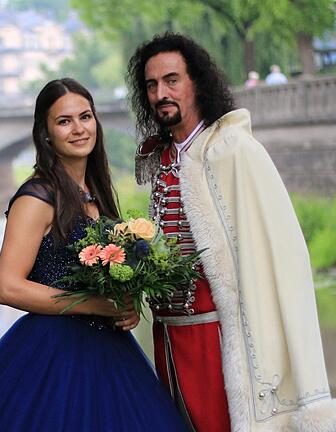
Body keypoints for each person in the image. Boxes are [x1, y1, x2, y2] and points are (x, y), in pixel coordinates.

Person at [0, 78, 188, 431]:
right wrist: (93, 304)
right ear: (46, 134)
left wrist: (124, 306)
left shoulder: (95, 192)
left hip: (109, 352)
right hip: (52, 354)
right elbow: (8, 287)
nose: (79, 129)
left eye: (85, 117)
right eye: (64, 121)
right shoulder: (36, 197)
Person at [127, 32, 336, 431]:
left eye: (172, 80)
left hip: (220, 339)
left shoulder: (235, 150)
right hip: (168, 338)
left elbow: (283, 254)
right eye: (151, 85)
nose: (160, 93)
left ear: (196, 83)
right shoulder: (162, 157)